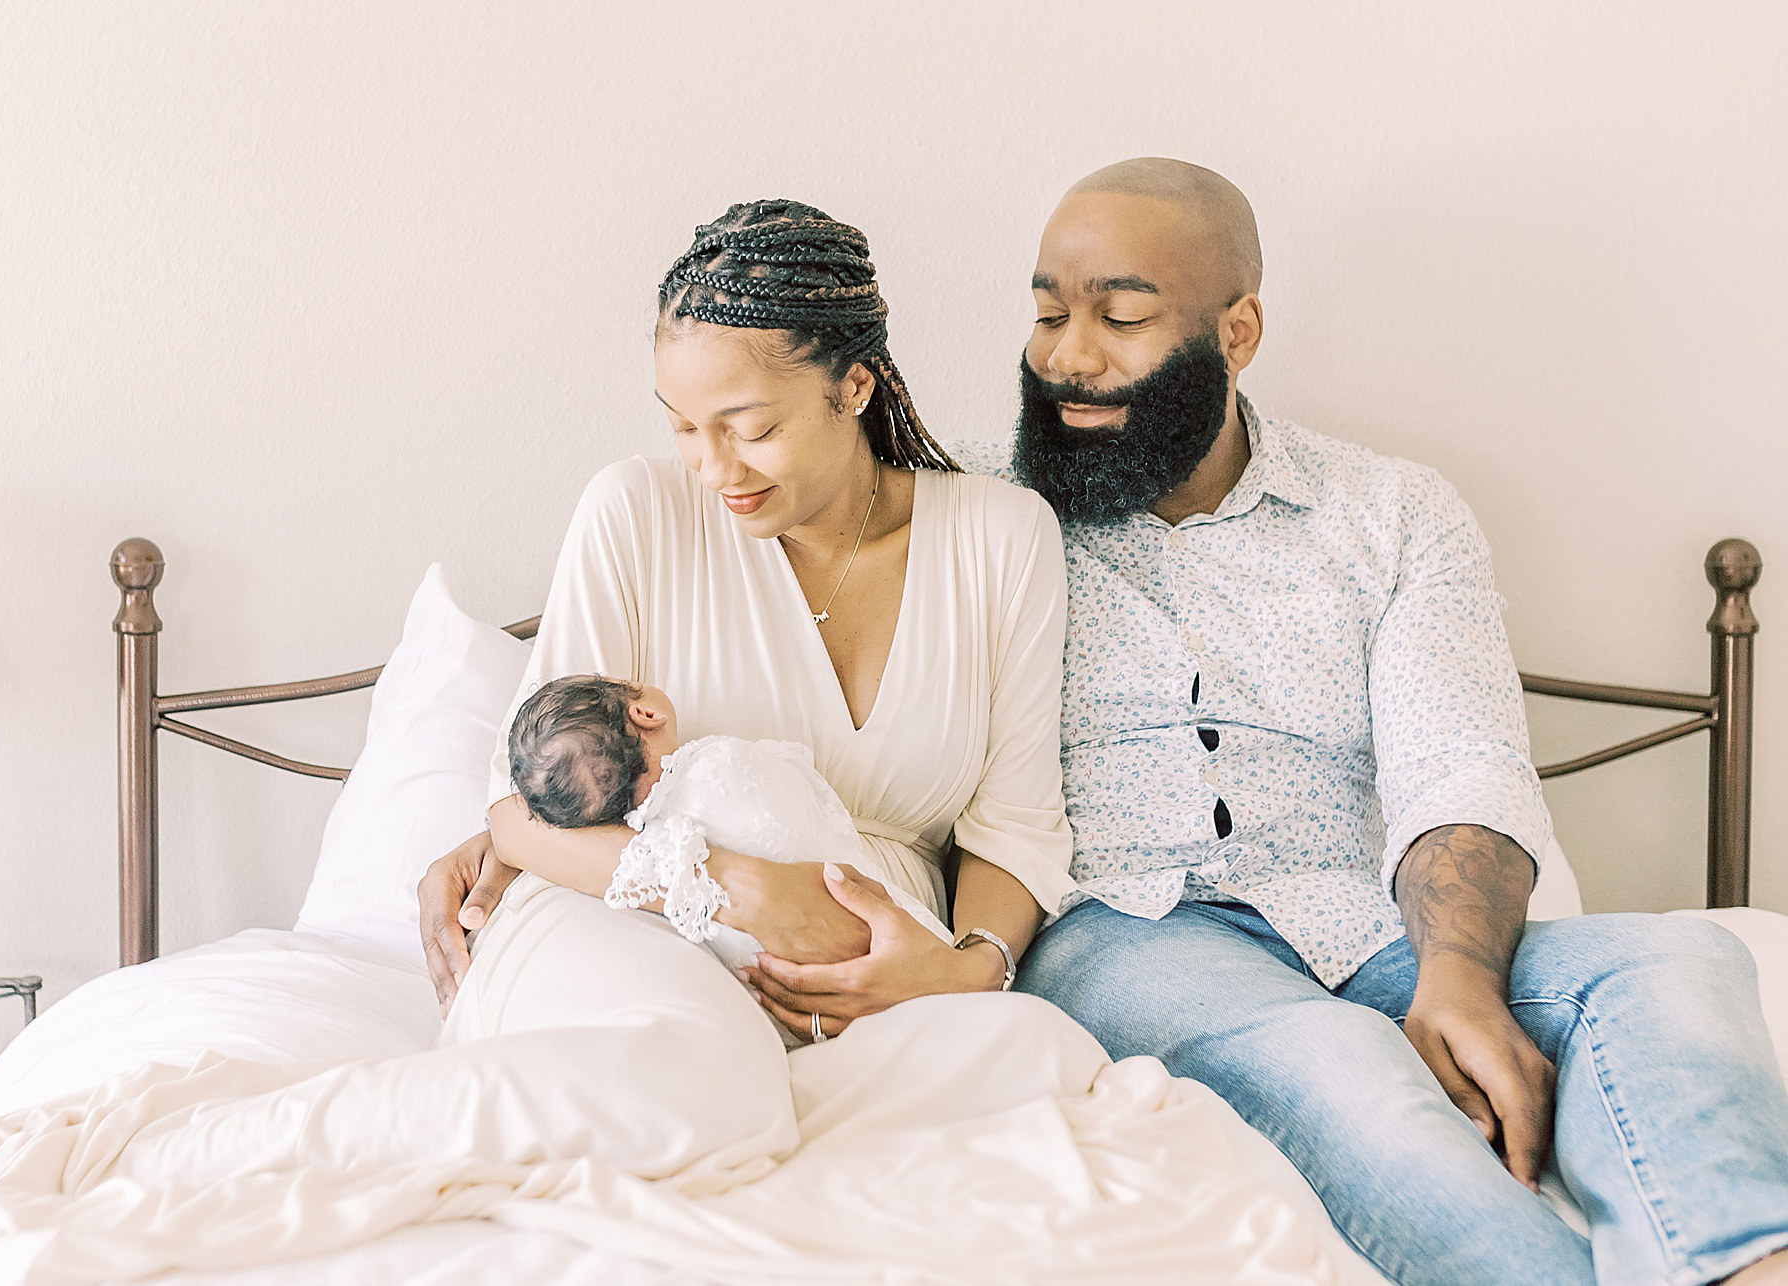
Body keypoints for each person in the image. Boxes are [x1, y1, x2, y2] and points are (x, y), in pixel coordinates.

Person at [426, 162, 1788, 1286]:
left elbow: (1461, 760)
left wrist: (1464, 970)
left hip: (1366, 911)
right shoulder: (999, 514)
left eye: (1118, 317)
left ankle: (1735, 1258)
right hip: (1138, 928)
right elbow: (594, 740)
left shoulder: (1395, 513)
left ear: (1235, 333)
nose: (1066, 358)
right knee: (1343, 1075)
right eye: (1044, 313)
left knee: (1678, 964)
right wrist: (506, 829)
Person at [504, 672, 953, 994]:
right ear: (646, 712)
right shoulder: (722, 763)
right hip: (889, 923)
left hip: (787, 997)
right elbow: (802, 791)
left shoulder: (646, 853)